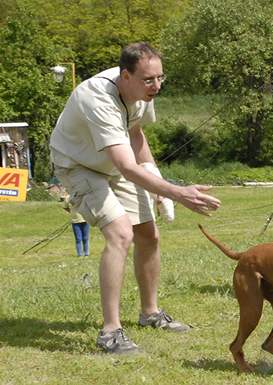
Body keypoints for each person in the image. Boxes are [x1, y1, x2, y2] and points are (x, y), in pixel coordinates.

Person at [50, 42, 221, 354]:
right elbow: (126, 166)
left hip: (115, 165)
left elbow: (136, 133)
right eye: (148, 80)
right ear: (124, 75)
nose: (156, 86)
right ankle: (111, 332)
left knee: (148, 234)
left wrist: (154, 176)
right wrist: (176, 191)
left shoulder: (142, 91)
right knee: (120, 233)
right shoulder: (97, 98)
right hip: (78, 166)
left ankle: (150, 313)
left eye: (160, 78)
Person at [61, 192, 90, 257]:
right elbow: (65, 207)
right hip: (75, 221)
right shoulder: (68, 198)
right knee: (78, 238)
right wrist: (71, 212)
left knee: (85, 238)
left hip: (85, 219)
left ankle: (86, 254)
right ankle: (79, 254)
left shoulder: (84, 196)